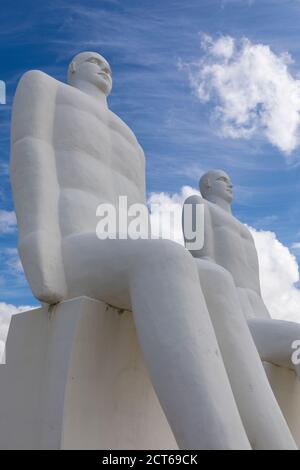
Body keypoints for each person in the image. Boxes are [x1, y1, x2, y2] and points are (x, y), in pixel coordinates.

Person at [10, 53, 251, 450]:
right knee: (166, 257)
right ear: (73, 70)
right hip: (76, 245)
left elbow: (137, 214)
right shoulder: (45, 87)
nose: (104, 67)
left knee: (215, 279)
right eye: (92, 60)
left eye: (108, 64)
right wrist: (38, 245)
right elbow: (30, 153)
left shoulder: (131, 139)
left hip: (121, 251)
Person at [183, 169, 298, 449]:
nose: (230, 184)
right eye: (223, 179)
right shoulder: (197, 205)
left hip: (257, 308)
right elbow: (199, 257)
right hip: (231, 310)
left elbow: (254, 283)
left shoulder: (244, 229)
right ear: (208, 184)